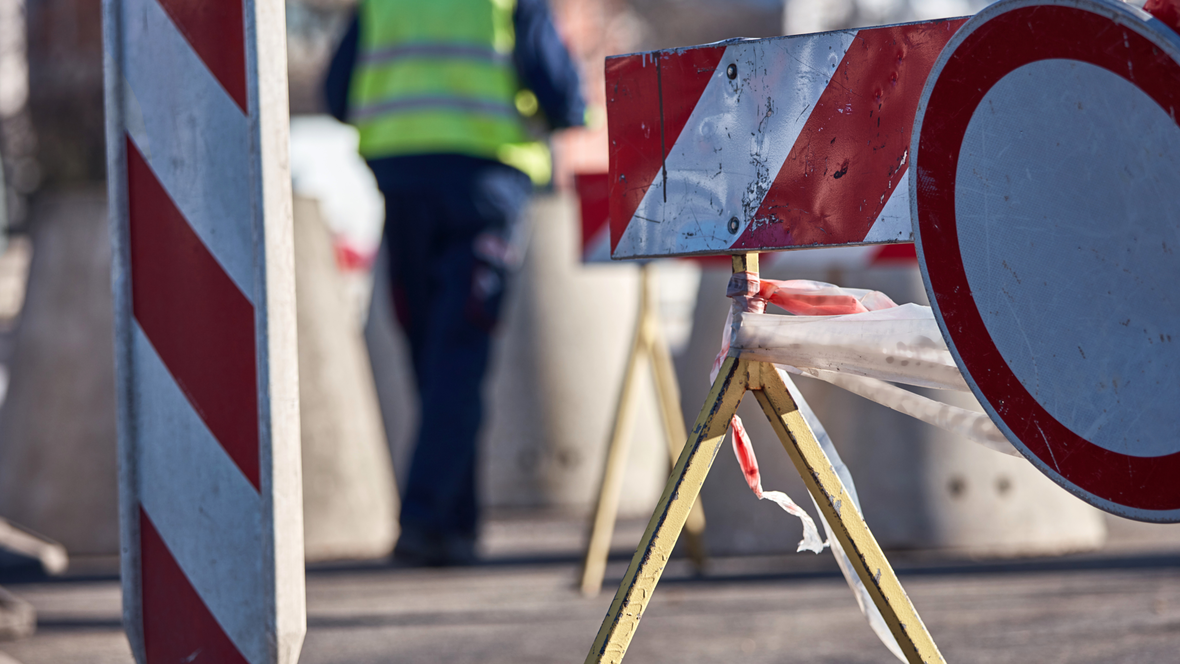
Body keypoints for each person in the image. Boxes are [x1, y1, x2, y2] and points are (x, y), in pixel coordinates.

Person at [324, 0, 585, 566]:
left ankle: (454, 524)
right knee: (458, 357)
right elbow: (562, 94)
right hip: (484, 185)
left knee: (431, 356)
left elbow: (337, 93)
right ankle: (426, 519)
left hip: (402, 181)